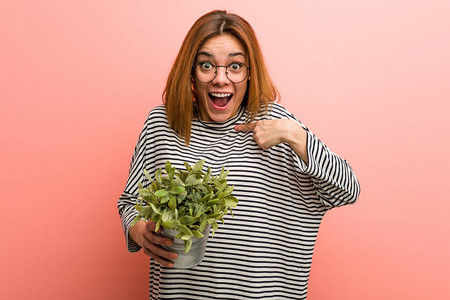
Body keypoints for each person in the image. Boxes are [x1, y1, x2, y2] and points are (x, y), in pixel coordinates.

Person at [118, 10, 360, 300]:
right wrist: (139, 230)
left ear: (249, 72)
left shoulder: (276, 125)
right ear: (191, 72)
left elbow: (347, 191)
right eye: (206, 65)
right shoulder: (162, 124)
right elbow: (130, 202)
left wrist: (296, 136)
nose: (221, 78)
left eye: (235, 66)